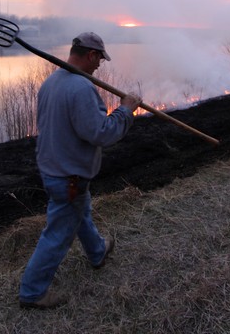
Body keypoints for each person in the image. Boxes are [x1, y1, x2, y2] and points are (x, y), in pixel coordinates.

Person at [18, 31, 142, 309]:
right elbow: (101, 133)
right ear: (91, 55)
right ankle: (32, 292)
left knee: (79, 211)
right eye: (100, 59)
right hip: (68, 176)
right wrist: (125, 110)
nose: (99, 66)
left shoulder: (51, 82)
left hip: (54, 169)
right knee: (57, 233)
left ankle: (97, 251)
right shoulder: (81, 88)